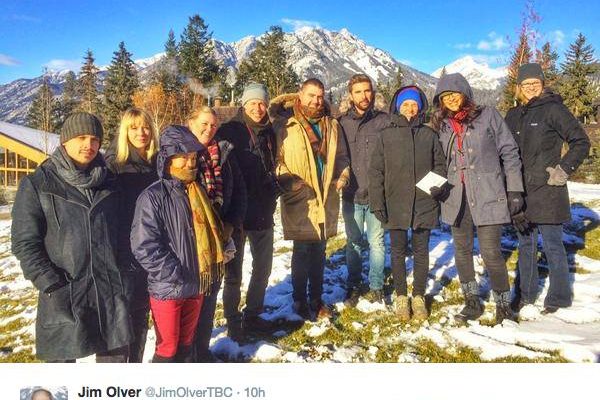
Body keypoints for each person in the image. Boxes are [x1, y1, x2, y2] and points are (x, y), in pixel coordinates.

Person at [11, 112, 131, 362]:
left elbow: (124, 231)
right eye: (81, 137)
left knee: (116, 365)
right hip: (65, 289)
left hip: (109, 291)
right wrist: (50, 282)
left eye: (95, 139)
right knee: (60, 371)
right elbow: (25, 242)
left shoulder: (110, 182)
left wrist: (123, 270)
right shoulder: (38, 184)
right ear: (65, 141)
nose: (89, 144)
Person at [431, 73, 524, 324]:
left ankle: (503, 306)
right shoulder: (441, 125)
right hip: (455, 196)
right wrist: (434, 186)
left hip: (488, 194)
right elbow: (436, 161)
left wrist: (515, 189)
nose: (450, 99)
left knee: (491, 252)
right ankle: (471, 302)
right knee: (462, 251)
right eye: (445, 96)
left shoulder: (488, 115)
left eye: (454, 93)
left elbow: (509, 151)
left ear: (465, 93)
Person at [131, 125, 229, 363]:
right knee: (168, 348)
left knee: (186, 345)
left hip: (196, 283)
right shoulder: (153, 196)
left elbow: (210, 229)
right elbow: (144, 245)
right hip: (169, 287)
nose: (190, 163)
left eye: (193, 157)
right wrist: (173, 273)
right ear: (168, 159)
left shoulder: (197, 191)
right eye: (183, 157)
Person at [505, 63, 590, 314]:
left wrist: (563, 169)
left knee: (553, 245)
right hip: (521, 191)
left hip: (548, 189)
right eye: (526, 84)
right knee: (526, 244)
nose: (531, 87)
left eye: (536, 83)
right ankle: (526, 295)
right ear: (519, 87)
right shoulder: (513, 114)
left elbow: (581, 141)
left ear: (542, 84)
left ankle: (559, 298)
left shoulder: (554, 109)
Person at [270, 78, 350, 320]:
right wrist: (290, 182)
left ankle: (316, 299)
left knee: (319, 250)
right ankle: (299, 300)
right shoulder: (285, 124)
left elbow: (342, 156)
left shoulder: (332, 125)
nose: (316, 101)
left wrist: (343, 175)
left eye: (319, 96)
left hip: (325, 195)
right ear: (300, 95)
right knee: (302, 250)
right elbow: (276, 160)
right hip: (300, 196)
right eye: (311, 95)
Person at [369, 85, 447, 321]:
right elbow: (376, 171)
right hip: (395, 202)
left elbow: (440, 165)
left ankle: (419, 295)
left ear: (420, 107)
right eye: (406, 104)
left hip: (424, 201)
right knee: (398, 251)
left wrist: (436, 187)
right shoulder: (386, 135)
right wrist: (377, 201)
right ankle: (402, 296)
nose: (410, 109)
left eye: (414, 104)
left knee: (422, 251)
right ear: (398, 107)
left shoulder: (429, 135)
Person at [216, 83, 279, 335]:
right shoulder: (229, 131)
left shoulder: (269, 132)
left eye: (262, 103)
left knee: (263, 267)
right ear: (244, 104)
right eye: (253, 103)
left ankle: (253, 314)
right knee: (234, 273)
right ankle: (233, 321)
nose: (258, 108)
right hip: (236, 214)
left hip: (263, 209)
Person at [187, 106, 247, 355]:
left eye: (213, 125)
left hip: (220, 234)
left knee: (211, 292)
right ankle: (187, 352)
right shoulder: (181, 153)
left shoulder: (224, 152)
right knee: (193, 298)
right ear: (190, 123)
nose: (209, 129)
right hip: (191, 238)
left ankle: (202, 350)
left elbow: (240, 191)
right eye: (204, 124)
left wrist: (231, 224)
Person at [104, 107, 158, 363]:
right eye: (134, 128)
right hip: (121, 255)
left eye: (146, 127)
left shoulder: (157, 165)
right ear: (124, 131)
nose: (141, 133)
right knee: (118, 322)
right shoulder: (114, 167)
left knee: (139, 316)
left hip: (150, 254)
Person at [337, 74, 389, 305]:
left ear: (373, 93)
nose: (363, 96)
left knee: (377, 242)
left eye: (367, 91)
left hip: (377, 194)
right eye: (358, 91)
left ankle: (376, 285)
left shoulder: (384, 121)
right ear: (350, 95)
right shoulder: (341, 123)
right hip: (351, 195)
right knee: (354, 242)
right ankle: (354, 284)